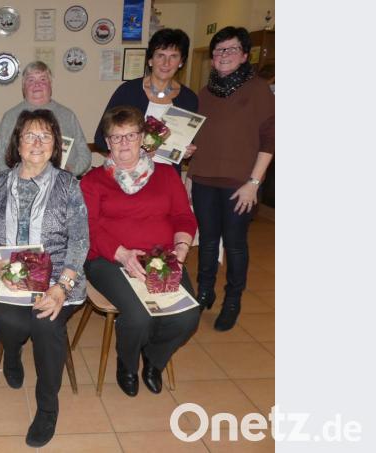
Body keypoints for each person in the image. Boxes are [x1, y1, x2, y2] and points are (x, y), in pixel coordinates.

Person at [0, 110, 88, 447]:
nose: (37, 143)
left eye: (46, 136)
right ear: (17, 143)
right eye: (29, 135)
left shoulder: (69, 185)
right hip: (6, 276)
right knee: (11, 323)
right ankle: (12, 354)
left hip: (58, 277)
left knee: (45, 324)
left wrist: (59, 288)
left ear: (56, 144)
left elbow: (80, 241)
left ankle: (47, 408)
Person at [80, 106, 200, 398]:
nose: (124, 143)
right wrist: (122, 254)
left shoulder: (167, 176)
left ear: (142, 137)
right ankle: (127, 363)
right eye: (116, 137)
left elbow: (184, 218)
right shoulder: (93, 181)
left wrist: (180, 253)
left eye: (131, 135)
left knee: (188, 315)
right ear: (107, 142)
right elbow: (88, 228)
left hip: (162, 257)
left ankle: (154, 360)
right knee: (138, 316)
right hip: (109, 259)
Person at [187, 26, 274, 331]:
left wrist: (254, 183)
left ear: (244, 55)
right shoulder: (203, 94)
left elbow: (270, 141)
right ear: (212, 58)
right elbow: (196, 134)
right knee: (208, 241)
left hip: (240, 185)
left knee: (235, 245)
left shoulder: (259, 90)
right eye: (219, 50)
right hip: (203, 179)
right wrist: (187, 146)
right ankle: (204, 291)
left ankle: (232, 300)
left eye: (231, 49)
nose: (224, 55)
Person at [93, 28, 198, 169]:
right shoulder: (127, 91)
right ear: (150, 60)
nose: (166, 63)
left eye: (173, 56)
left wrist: (187, 152)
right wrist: (136, 152)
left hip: (168, 179)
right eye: (160, 55)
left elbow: (189, 143)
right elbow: (100, 138)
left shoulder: (189, 99)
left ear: (181, 62)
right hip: (129, 177)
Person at [0, 61, 91, 176]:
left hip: (64, 185)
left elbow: (85, 154)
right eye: (31, 80)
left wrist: (71, 171)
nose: (37, 84)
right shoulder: (10, 117)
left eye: (43, 80)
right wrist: (13, 178)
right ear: (23, 86)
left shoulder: (68, 115)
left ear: (50, 85)